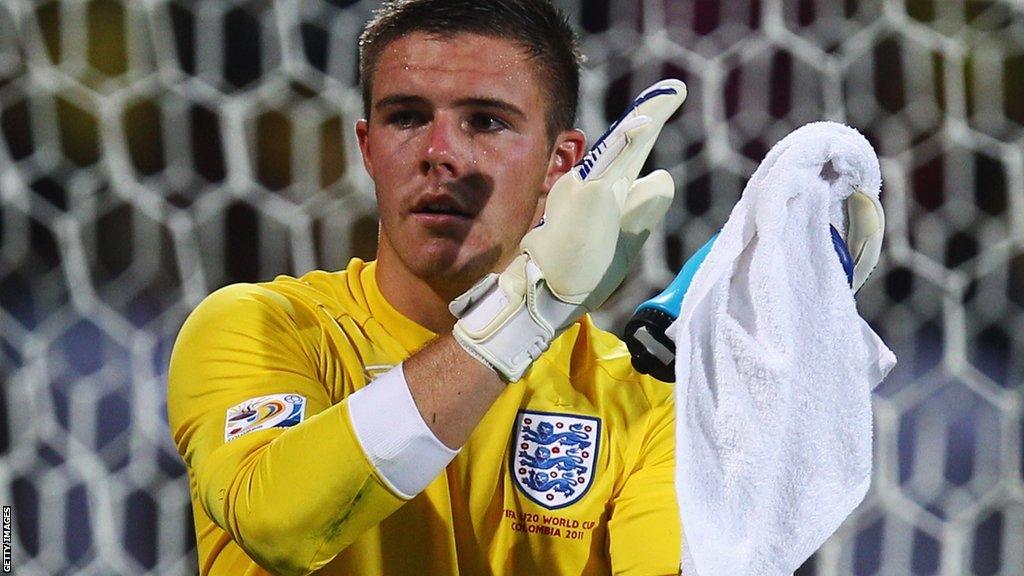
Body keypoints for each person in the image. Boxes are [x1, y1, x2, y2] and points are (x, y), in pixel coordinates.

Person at [168, 1, 684, 574]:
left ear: (558, 162)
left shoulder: (643, 399)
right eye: (407, 117)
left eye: (486, 121)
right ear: (367, 148)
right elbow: (278, 524)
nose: (440, 154)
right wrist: (526, 316)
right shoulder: (261, 328)